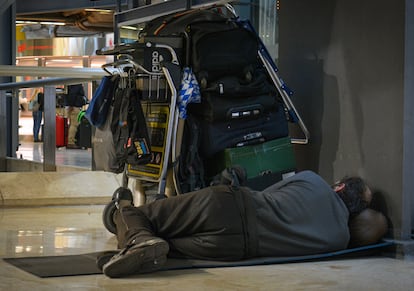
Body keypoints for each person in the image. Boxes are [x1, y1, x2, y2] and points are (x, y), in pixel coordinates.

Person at [100, 170, 388, 278]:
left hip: (228, 207)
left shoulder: (313, 180)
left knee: (139, 214)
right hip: (232, 249)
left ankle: (129, 228)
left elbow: (264, 196)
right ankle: (145, 243)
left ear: (338, 188)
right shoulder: (338, 240)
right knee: (163, 244)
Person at [65, 84, 86, 149]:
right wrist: (71, 105)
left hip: (72, 106)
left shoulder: (70, 84)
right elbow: (72, 95)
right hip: (75, 106)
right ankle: (71, 142)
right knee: (74, 125)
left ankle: (71, 140)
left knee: (72, 124)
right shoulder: (76, 84)